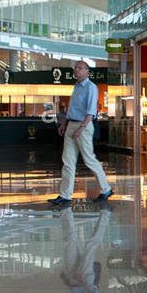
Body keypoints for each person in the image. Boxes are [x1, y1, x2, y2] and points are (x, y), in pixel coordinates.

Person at [49, 61, 112, 206]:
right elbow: (72, 109)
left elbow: (91, 111)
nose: (76, 70)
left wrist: (81, 127)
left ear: (87, 71)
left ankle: (106, 189)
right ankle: (65, 195)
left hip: (83, 126)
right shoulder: (76, 87)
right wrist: (64, 123)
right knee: (68, 161)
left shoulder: (91, 87)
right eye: (75, 68)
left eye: (79, 68)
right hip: (71, 124)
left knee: (89, 159)